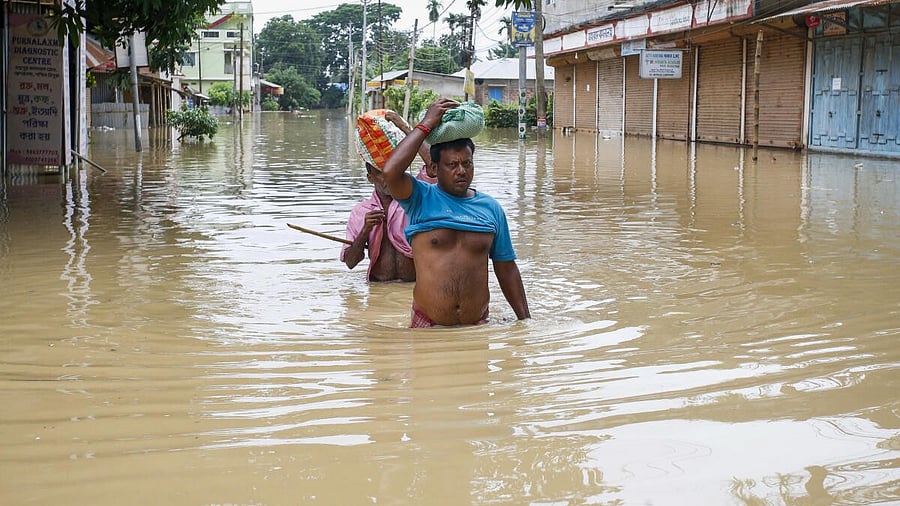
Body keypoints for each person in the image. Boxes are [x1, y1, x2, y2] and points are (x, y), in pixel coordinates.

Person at [382, 98, 530, 327]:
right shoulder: (419, 198)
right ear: (433, 168)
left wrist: (526, 323)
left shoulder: (491, 209)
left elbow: (507, 269)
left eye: (467, 164)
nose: (461, 171)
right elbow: (391, 172)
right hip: (428, 327)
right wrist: (426, 124)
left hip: (477, 325)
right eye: (452, 165)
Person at [341, 111, 432, 282]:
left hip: (414, 288)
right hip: (378, 288)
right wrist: (365, 231)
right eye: (381, 173)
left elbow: (433, 167)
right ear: (370, 178)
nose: (389, 177)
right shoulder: (361, 212)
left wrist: (405, 128)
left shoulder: (416, 199)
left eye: (393, 171)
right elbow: (350, 263)